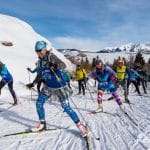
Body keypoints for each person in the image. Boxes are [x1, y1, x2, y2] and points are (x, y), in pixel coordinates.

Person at [26, 41, 88, 137]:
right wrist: (33, 83)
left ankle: (80, 126)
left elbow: (63, 65)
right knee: (39, 103)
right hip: (48, 87)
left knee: (66, 107)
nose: (38, 52)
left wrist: (54, 65)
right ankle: (42, 124)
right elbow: (40, 74)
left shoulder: (51, 56)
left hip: (60, 87)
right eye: (36, 51)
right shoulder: (40, 62)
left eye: (40, 50)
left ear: (45, 49)